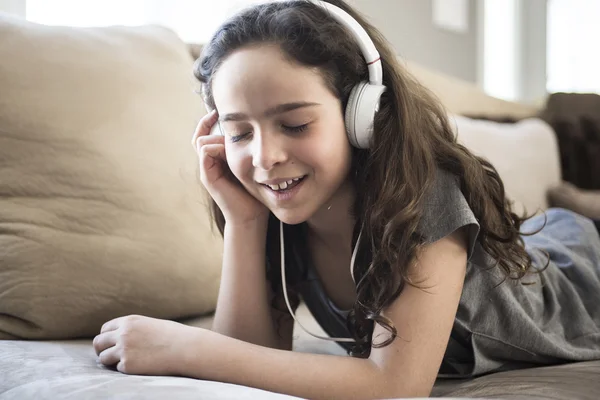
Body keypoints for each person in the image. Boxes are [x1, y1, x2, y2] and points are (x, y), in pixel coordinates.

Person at [92, 1, 600, 398]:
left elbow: (394, 386)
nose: (265, 157)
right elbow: (249, 357)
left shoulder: (421, 191)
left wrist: (186, 346)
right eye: (239, 133)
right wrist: (244, 223)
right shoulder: (276, 206)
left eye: (294, 124)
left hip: (576, 274)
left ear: (363, 116)